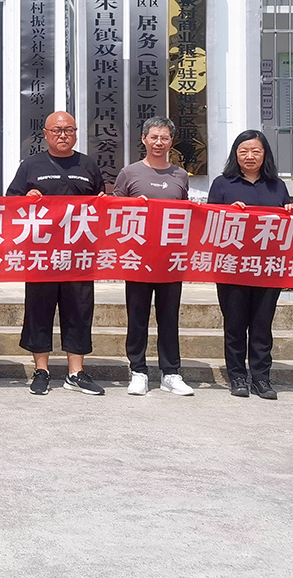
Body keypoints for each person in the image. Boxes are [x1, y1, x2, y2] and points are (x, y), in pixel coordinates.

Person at [6, 111, 106, 397]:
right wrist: (26, 199)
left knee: (79, 311)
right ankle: (42, 370)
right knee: (39, 310)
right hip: (42, 255)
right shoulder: (31, 165)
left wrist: (103, 202)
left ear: (75, 133)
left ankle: (76, 372)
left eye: (68, 130)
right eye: (57, 130)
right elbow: (11, 202)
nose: (63, 135)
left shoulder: (87, 165)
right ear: (46, 134)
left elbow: (100, 204)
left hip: (79, 254)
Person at [207, 130, 293, 400]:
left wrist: (292, 211)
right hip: (232, 267)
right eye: (244, 151)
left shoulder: (277, 186)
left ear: (265, 154)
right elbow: (209, 224)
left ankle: (261, 378)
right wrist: (227, 212)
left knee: (262, 325)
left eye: (256, 151)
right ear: (235, 154)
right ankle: (237, 376)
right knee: (235, 325)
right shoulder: (222, 184)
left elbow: (288, 226)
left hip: (268, 268)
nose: (250, 156)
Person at [112, 117, 195, 397]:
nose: (159, 142)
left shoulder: (180, 175)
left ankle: (171, 372)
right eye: (154, 137)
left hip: (170, 259)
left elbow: (186, 215)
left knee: (169, 317)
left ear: (171, 142)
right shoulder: (129, 173)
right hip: (138, 258)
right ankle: (138, 370)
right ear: (144, 139)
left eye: (164, 138)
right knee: (137, 316)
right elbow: (114, 211)